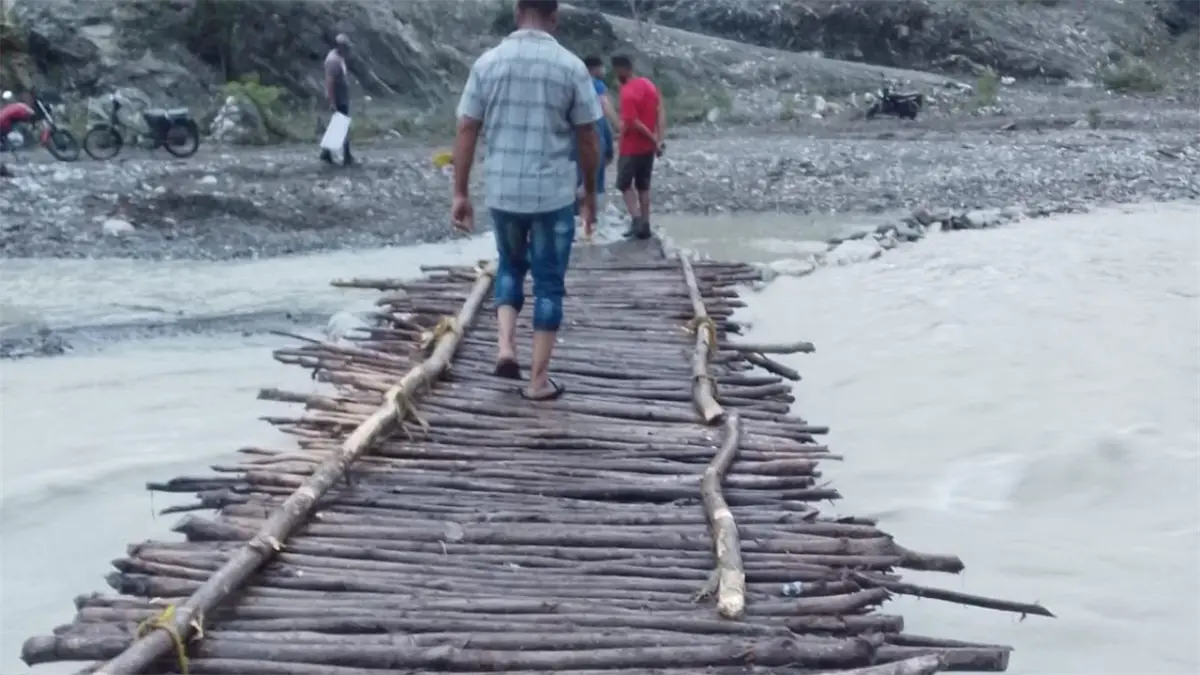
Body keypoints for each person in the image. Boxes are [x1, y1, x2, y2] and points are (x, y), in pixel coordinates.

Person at [450, 0, 602, 401]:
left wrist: (461, 192)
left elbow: (466, 127)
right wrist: (589, 192)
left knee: (510, 265)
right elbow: (588, 137)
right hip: (552, 194)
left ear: (517, 13)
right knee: (549, 284)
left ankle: (505, 347)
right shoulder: (571, 67)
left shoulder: (487, 64)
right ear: (554, 18)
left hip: (503, 192)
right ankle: (538, 381)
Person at [611, 55, 664, 240]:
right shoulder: (649, 85)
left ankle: (636, 220)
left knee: (624, 184)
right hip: (647, 149)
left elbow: (632, 122)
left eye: (616, 71)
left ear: (621, 69)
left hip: (631, 147)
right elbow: (660, 111)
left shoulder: (627, 92)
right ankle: (646, 224)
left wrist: (652, 138)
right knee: (643, 186)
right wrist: (658, 139)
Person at [570, 55, 617, 238]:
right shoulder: (595, 85)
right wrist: (619, 125)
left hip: (574, 137)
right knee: (593, 181)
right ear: (594, 68)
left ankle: (576, 221)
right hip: (595, 136)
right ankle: (591, 223)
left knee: (576, 180)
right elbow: (604, 107)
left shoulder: (573, 83)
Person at [320, 34, 354, 166]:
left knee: (339, 125)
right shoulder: (332, 61)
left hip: (342, 97)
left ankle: (328, 153)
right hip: (338, 98)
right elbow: (330, 81)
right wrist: (332, 101)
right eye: (345, 46)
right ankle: (345, 155)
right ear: (340, 46)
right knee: (341, 125)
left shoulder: (339, 58)